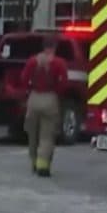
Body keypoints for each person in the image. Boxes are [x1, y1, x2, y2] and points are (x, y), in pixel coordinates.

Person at [20, 35, 68, 177]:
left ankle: (34, 161)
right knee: (47, 135)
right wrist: (57, 93)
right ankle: (43, 165)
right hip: (50, 99)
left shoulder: (32, 61)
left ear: (43, 46)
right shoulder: (59, 63)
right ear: (54, 47)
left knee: (32, 134)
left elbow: (24, 79)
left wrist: (28, 90)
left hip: (34, 98)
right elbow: (64, 83)